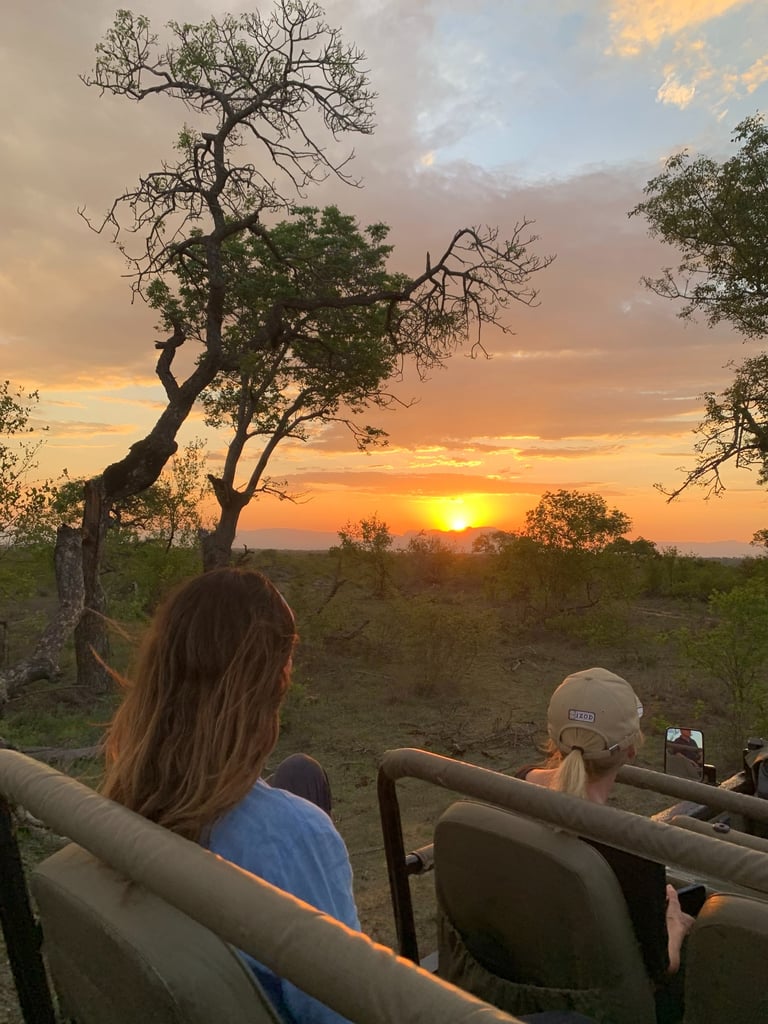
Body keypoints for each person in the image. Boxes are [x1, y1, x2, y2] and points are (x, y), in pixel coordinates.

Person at [101, 567, 360, 1024]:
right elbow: (347, 1013)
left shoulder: (107, 817)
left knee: (301, 772)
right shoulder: (297, 836)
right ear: (274, 682)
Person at [515, 668, 695, 1020]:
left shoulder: (510, 791)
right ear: (630, 749)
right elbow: (662, 969)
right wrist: (676, 925)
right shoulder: (633, 848)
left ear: (553, 739)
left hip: (518, 982)